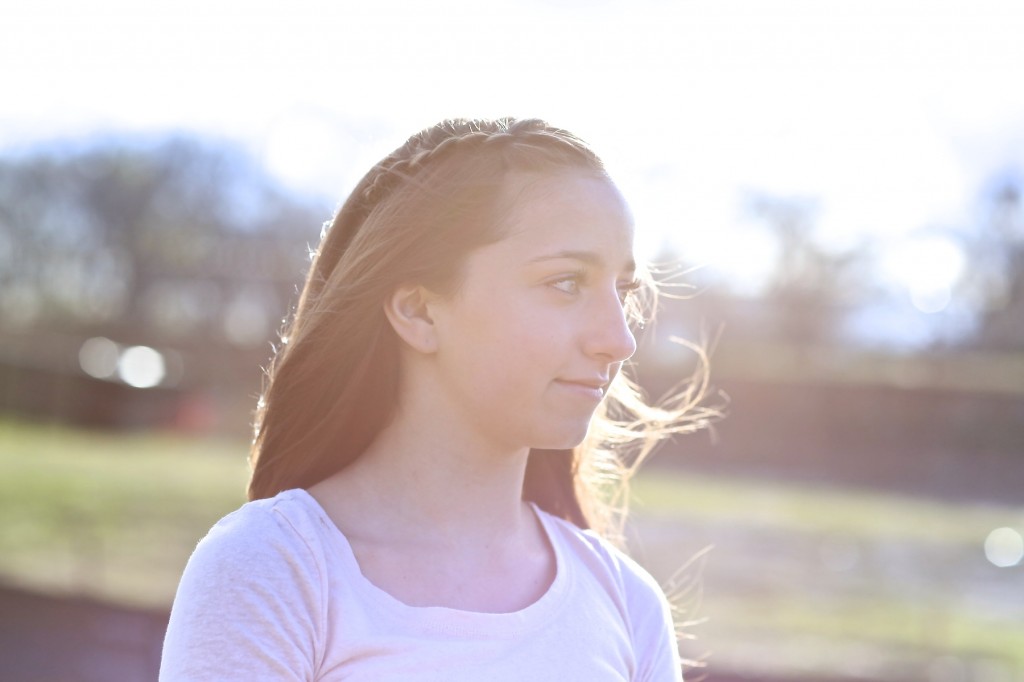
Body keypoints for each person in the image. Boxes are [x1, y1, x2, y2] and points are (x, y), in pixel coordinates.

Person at [159, 117, 709, 681]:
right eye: (565, 282)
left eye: (622, 292)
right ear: (419, 311)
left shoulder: (628, 606)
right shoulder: (272, 572)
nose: (619, 339)